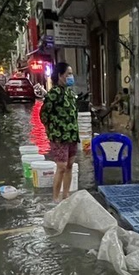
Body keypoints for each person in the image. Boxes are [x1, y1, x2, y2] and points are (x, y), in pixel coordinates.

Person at [40, 62, 79, 202]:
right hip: (59, 136)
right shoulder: (53, 94)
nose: (71, 76)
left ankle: (66, 195)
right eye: (68, 74)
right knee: (61, 166)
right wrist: (51, 131)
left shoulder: (70, 93)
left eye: (71, 74)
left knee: (69, 165)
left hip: (72, 135)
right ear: (59, 76)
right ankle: (55, 198)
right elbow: (44, 115)